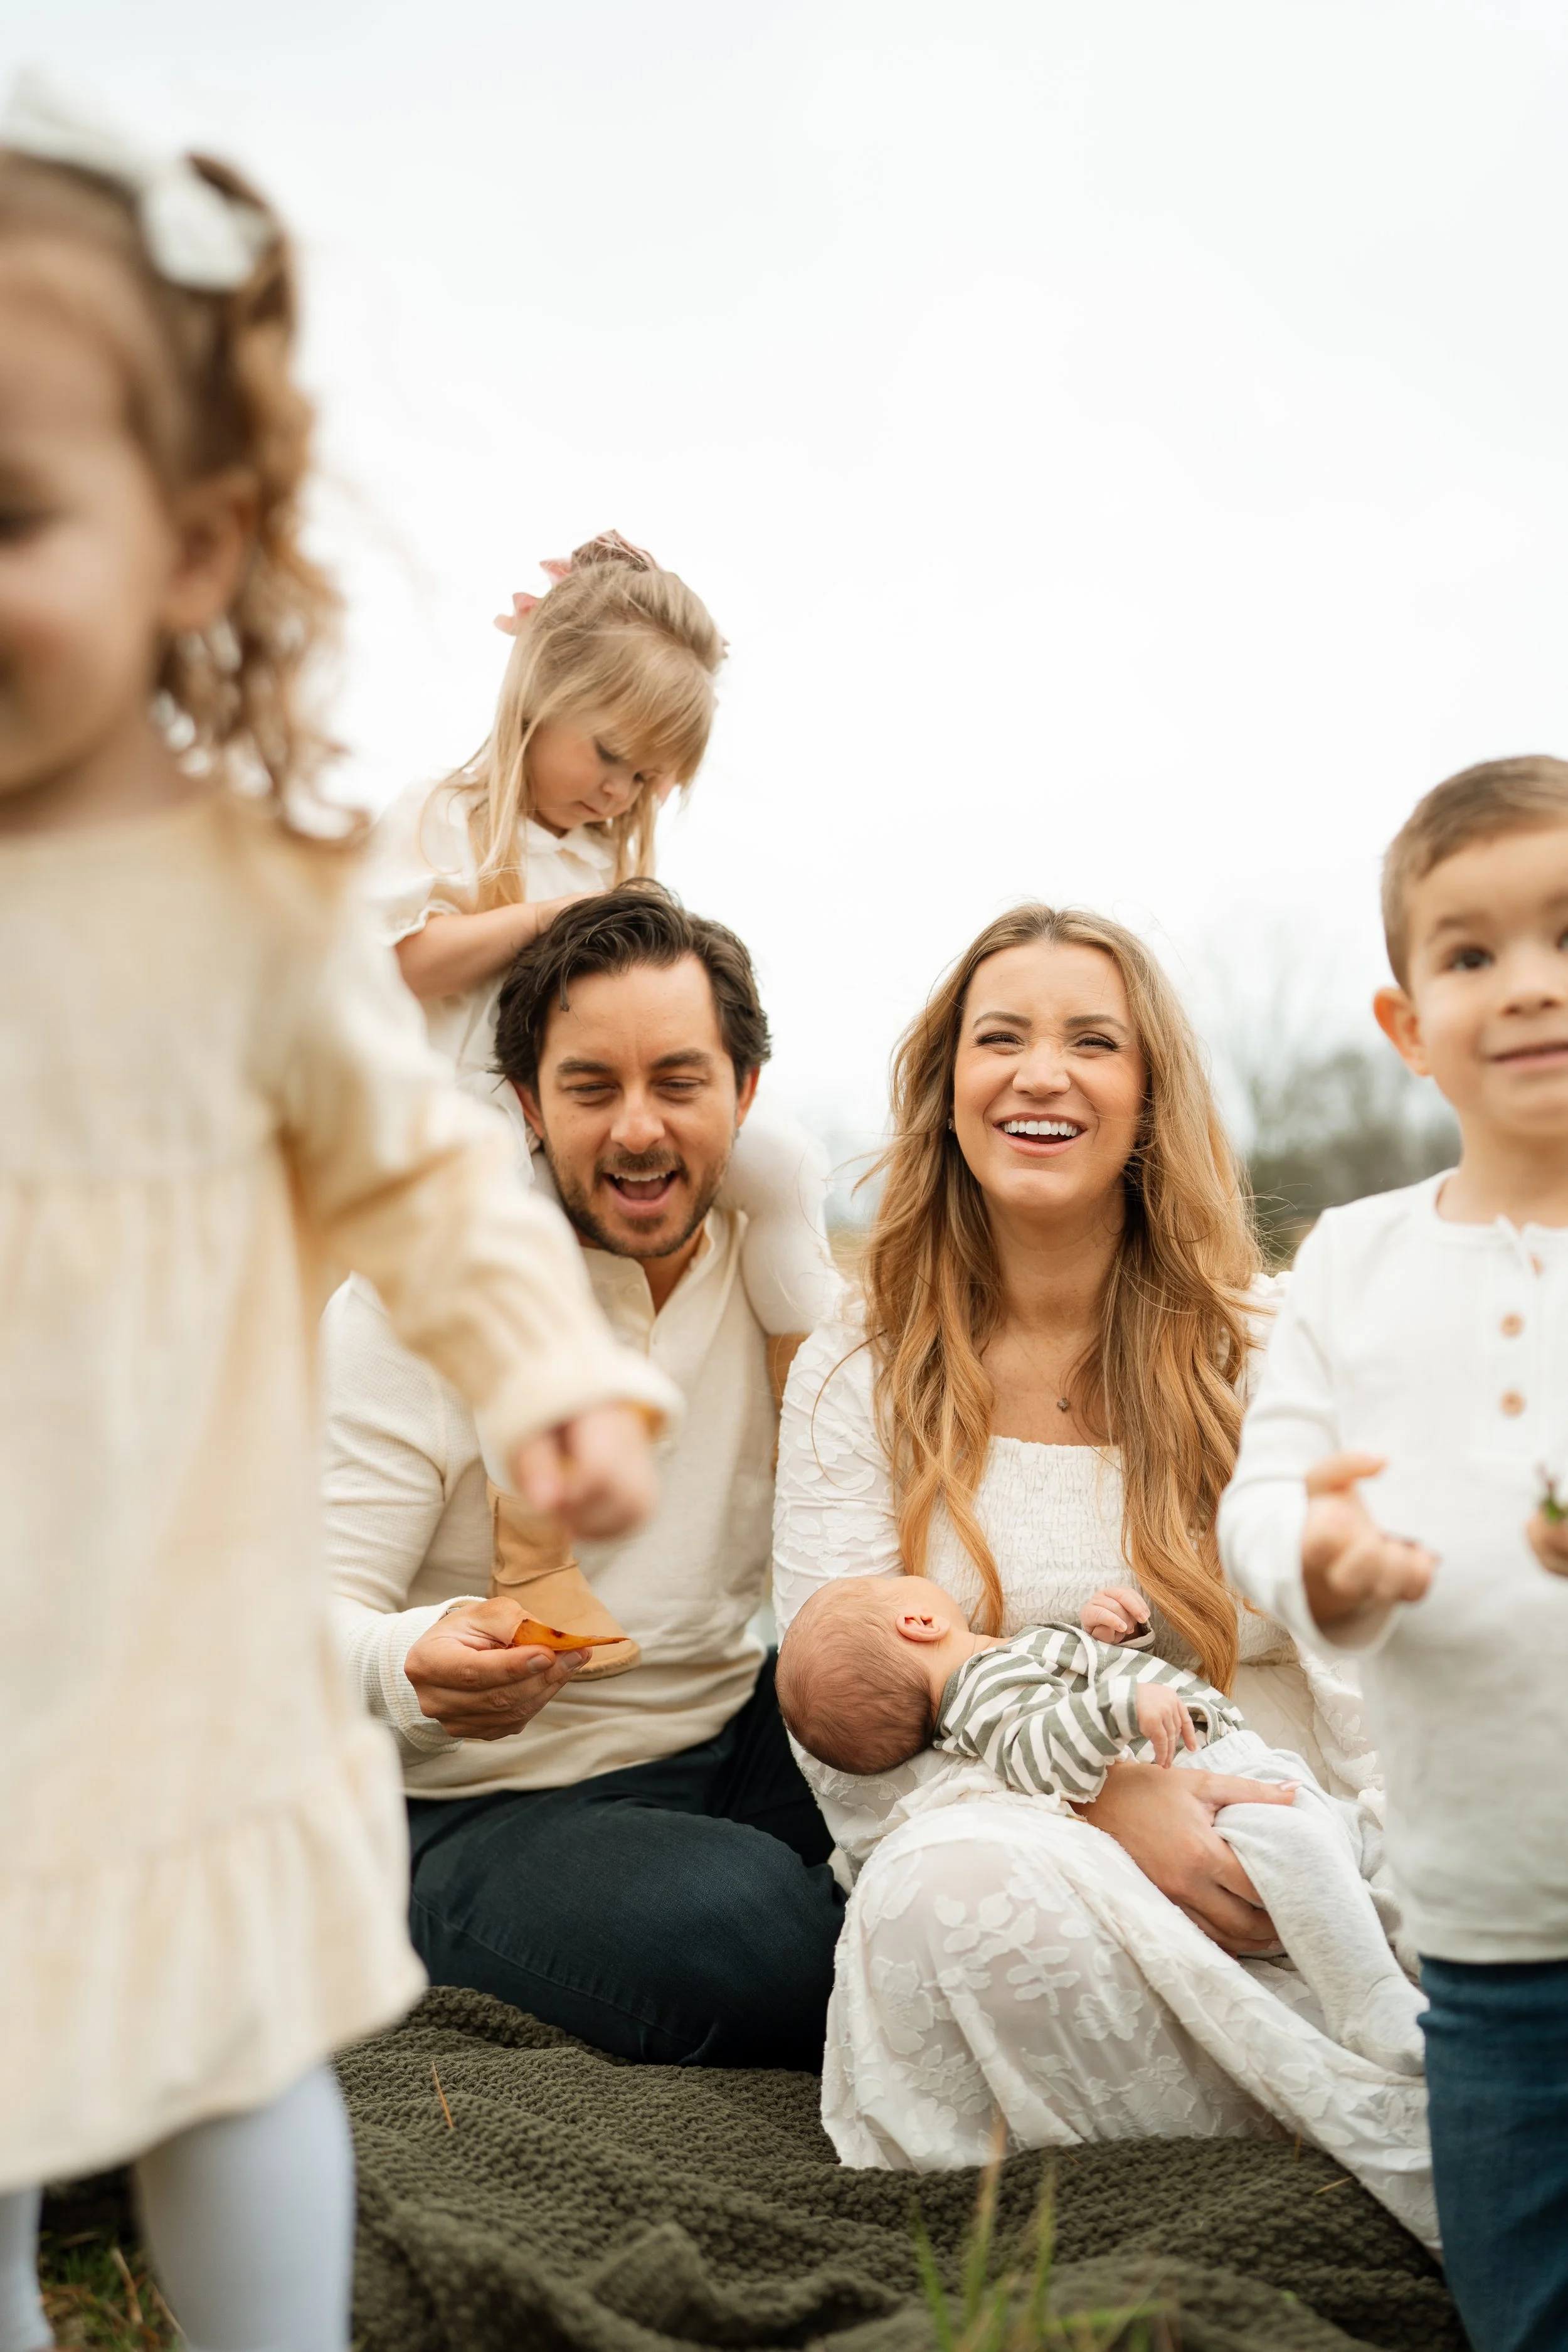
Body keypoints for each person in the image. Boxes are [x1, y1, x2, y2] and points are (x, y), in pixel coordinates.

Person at [0, 81, 674, 2352]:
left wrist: (551, 1362)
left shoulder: (247, 906)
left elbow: (419, 1170)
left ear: (191, 549)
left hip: (189, 1655)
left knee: (234, 2045)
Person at [772, 901, 1436, 2249]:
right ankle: (1347, 2140)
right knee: (941, 1907)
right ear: (946, 1088)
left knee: (1396, 1918)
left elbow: (1371, 1674)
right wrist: (1104, 1804)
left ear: (1144, 1099)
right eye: (998, 1038)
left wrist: (1409, 1881)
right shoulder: (858, 1364)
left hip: (1283, 1848)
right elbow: (848, 1735)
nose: (1039, 1073)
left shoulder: (1264, 1344)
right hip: (1007, 1851)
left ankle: (1371, 2083)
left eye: (1091, 1041)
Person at [327, 884, 845, 2069]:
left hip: (734, 1736)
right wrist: (404, 1662)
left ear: (744, 1094)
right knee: (752, 1931)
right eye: (590, 1087)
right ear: (526, 1105)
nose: (638, 1131)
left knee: (970, 1790)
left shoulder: (778, 1286)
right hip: (483, 1808)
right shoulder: (420, 1309)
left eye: (678, 1081)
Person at [1221, 755, 1568, 2352]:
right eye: (1473, 950)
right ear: (1406, 1021)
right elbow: (1262, 1500)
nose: (1531, 986)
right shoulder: (1354, 1261)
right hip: (1489, 1947)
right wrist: (1323, 1556)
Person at [366, 534, 837, 1336]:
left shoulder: (601, 863)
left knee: (786, 1164)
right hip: (466, 1109)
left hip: (591, 1106)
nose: (620, 792)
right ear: (540, 693)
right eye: (610, 755)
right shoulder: (447, 815)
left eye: (648, 778)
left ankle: (819, 1378)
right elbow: (402, 965)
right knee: (521, 1226)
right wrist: (542, 922)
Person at [776, 1574, 1427, 2077]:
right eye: (894, 1585)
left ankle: (1419, 1963)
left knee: (1367, 1858)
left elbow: (1060, 1700)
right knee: (1311, 1853)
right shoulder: (978, 1685)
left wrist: (1108, 1645)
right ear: (915, 1620)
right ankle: (1370, 2005)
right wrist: (1118, 1705)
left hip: (1231, 1773)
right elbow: (1037, 1746)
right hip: (1209, 1794)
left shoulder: (999, 1664)